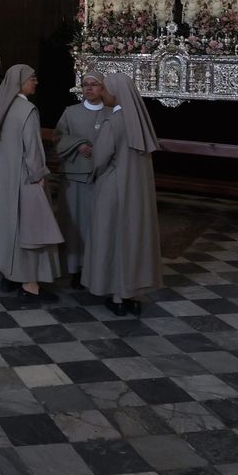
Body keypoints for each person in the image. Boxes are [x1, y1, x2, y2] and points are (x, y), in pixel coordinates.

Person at [0, 63, 62, 300]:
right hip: (24, 180)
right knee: (30, 232)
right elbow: (33, 151)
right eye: (32, 78)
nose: (36, 81)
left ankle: (8, 276)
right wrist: (38, 177)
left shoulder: (0, 109)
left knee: (7, 227)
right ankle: (29, 285)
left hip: (1, 180)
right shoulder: (28, 110)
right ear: (20, 82)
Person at [83, 70, 163, 316]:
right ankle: (132, 295)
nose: (103, 94)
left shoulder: (113, 121)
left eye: (105, 90)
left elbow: (100, 157)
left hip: (114, 189)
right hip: (137, 192)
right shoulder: (138, 120)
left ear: (115, 93)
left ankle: (117, 296)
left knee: (113, 240)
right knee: (133, 239)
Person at [52, 72, 110, 283]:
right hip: (74, 176)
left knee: (98, 225)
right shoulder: (71, 112)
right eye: (85, 85)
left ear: (102, 88)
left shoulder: (111, 113)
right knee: (74, 224)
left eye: (94, 84)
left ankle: (97, 268)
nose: (89, 88)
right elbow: (58, 137)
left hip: (102, 178)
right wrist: (79, 145)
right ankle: (75, 268)